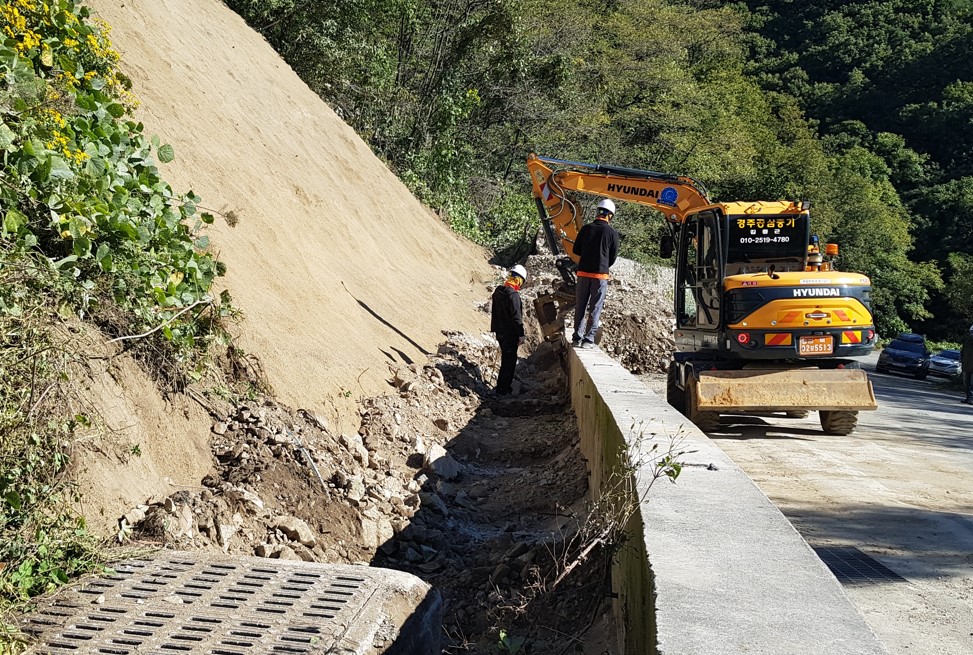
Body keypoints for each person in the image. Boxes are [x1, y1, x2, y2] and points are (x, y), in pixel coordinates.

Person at [572, 199, 620, 348]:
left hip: (583, 273)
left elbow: (575, 250)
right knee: (595, 307)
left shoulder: (586, 229)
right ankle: (588, 339)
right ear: (610, 216)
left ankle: (577, 337)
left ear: (598, 212)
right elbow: (613, 257)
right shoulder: (612, 233)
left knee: (580, 305)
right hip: (600, 276)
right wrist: (603, 264)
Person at [490, 264, 527, 396]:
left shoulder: (498, 291)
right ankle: (503, 390)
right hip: (510, 334)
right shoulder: (514, 296)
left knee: (506, 359)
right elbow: (517, 318)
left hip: (499, 331)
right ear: (519, 280)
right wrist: (521, 335)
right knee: (509, 362)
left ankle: (501, 387)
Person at [961, 324, 973, 405]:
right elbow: (962, 352)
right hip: (966, 366)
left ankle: (971, 398)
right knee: (966, 383)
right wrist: (961, 360)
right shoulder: (966, 342)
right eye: (971, 332)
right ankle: (968, 397)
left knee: (972, 384)